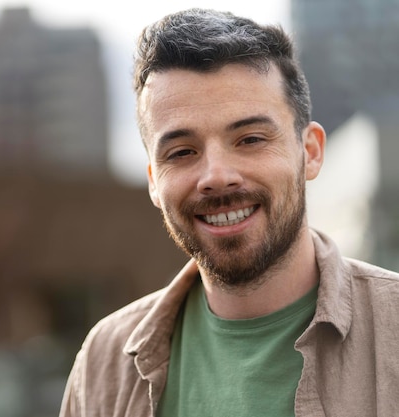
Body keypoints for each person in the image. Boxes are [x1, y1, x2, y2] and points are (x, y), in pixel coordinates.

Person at [59, 7, 399, 417]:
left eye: (250, 139)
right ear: (153, 180)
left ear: (309, 152)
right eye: (182, 152)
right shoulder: (105, 362)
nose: (216, 176)